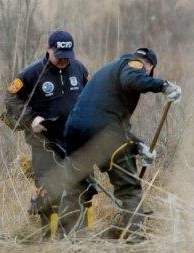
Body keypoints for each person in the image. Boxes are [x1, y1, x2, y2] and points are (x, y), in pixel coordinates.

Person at [63, 48, 182, 240]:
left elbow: (105, 117)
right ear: (149, 67)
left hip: (74, 133)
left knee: (77, 188)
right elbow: (132, 81)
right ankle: (135, 239)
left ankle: (72, 239)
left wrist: (138, 145)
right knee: (129, 189)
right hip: (104, 134)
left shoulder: (107, 72)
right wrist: (164, 86)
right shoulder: (133, 64)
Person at [3, 30, 90, 237]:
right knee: (49, 190)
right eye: (58, 56)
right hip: (44, 143)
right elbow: (10, 99)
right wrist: (31, 118)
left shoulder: (79, 69)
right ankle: (46, 240)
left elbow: (90, 96)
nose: (63, 61)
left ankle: (78, 239)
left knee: (80, 188)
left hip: (74, 141)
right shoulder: (32, 73)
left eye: (67, 57)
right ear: (49, 49)